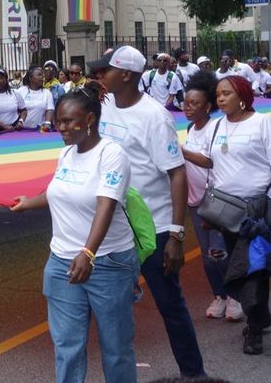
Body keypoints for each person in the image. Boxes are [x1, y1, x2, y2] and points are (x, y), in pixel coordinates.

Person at [87, 46, 206, 379]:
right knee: (112, 308)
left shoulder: (155, 116)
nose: (99, 76)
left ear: (125, 74)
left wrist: (176, 235)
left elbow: (177, 172)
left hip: (152, 230)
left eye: (104, 70)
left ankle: (194, 374)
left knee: (170, 305)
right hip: (113, 228)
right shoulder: (104, 104)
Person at [12, 81, 139, 383]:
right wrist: (29, 203)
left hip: (108, 263)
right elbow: (59, 191)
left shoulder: (112, 154)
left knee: (116, 348)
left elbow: (105, 205)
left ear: (90, 120)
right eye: (58, 121)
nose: (61, 127)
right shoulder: (66, 154)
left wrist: (88, 253)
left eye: (68, 121)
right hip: (61, 265)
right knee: (67, 346)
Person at [207, 76, 271, 354]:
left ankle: (254, 328)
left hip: (256, 211)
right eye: (218, 94)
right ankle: (260, 316)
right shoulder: (217, 125)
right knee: (237, 270)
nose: (221, 99)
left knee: (253, 269)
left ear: (243, 94)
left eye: (227, 94)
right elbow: (213, 164)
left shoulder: (263, 124)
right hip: (226, 213)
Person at [179, 71, 244, 322]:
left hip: (216, 201)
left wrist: (180, 151)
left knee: (219, 252)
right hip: (195, 202)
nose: (188, 108)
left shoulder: (216, 128)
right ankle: (220, 295)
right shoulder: (190, 128)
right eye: (186, 103)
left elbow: (210, 161)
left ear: (208, 106)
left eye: (195, 104)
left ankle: (236, 297)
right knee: (207, 256)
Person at [0, 68, 26, 134]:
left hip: (15, 129)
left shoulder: (15, 93)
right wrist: (4, 126)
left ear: (6, 79)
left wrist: (21, 121)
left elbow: (23, 110)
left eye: (1, 78)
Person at [20, 66, 55, 130]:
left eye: (42, 75)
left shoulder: (47, 93)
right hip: (23, 130)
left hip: (40, 130)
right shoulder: (21, 91)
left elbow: (50, 109)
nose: (42, 77)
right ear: (30, 78)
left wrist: (47, 123)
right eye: (39, 75)